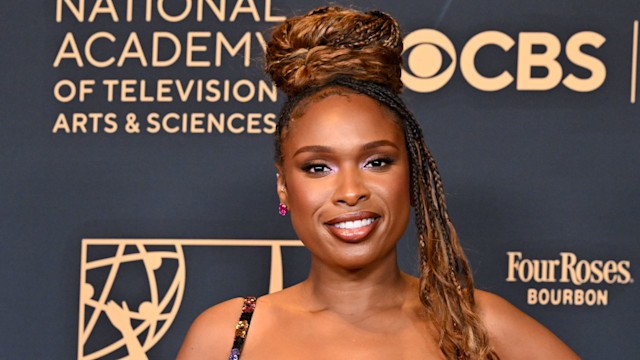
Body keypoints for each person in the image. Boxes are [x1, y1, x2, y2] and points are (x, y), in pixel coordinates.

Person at [178, 6, 579, 360]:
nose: (351, 191)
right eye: (318, 167)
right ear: (284, 186)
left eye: (377, 161)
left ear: (412, 172)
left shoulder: (477, 327)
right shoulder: (229, 336)